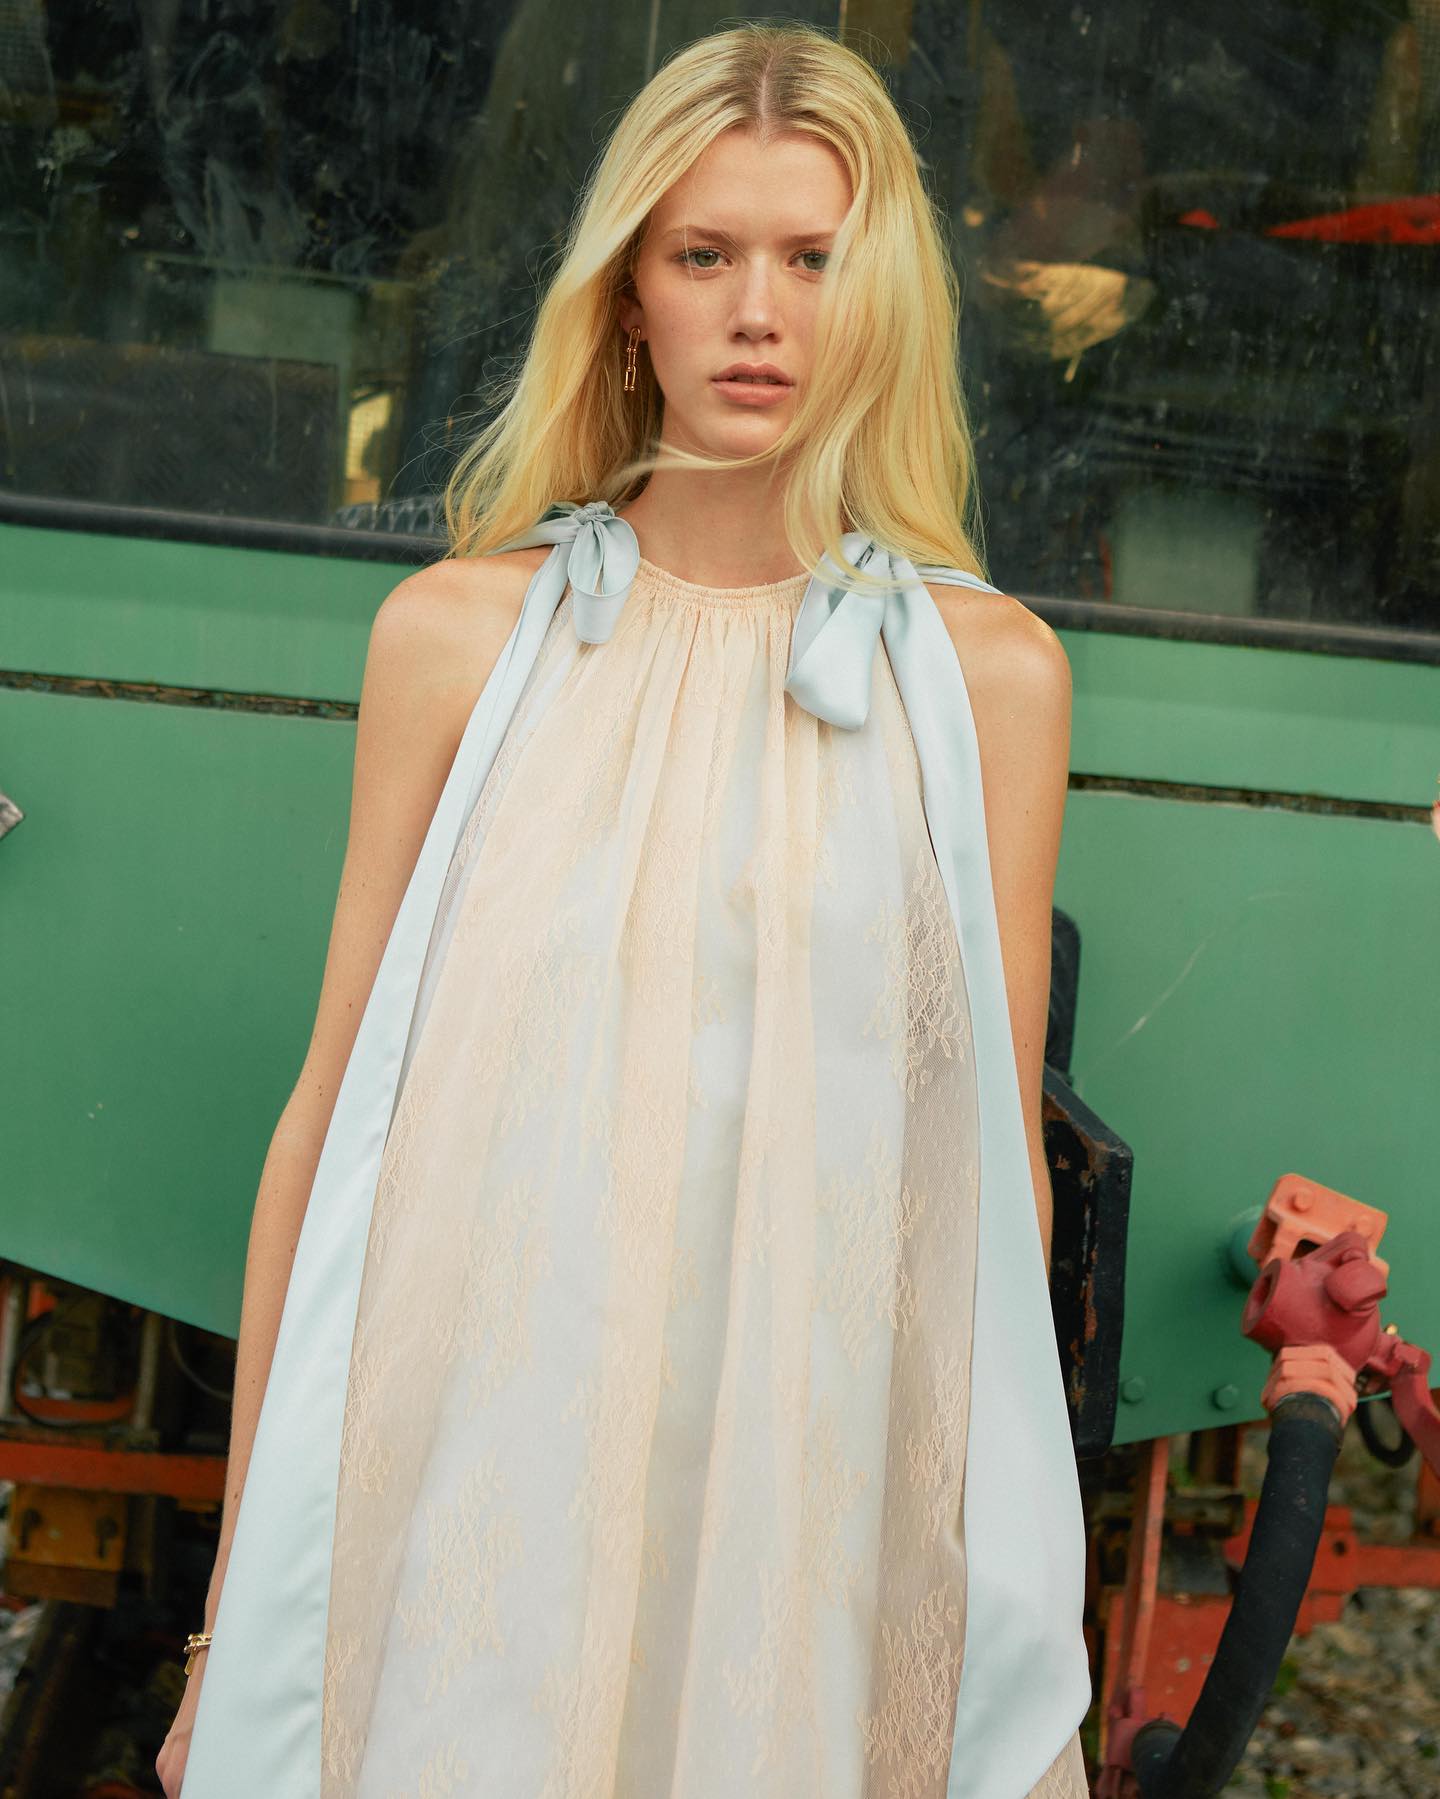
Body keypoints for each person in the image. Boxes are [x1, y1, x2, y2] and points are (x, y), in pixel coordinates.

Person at [160, 22, 1091, 1798]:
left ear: (883, 295)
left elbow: (989, 1188)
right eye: (705, 255)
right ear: (627, 297)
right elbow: (333, 1126)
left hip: (799, 1520)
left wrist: (974, 1619)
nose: (760, 315)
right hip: (484, 1511)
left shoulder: (990, 680)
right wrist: (233, 1618)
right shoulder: (459, 640)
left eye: (812, 259)